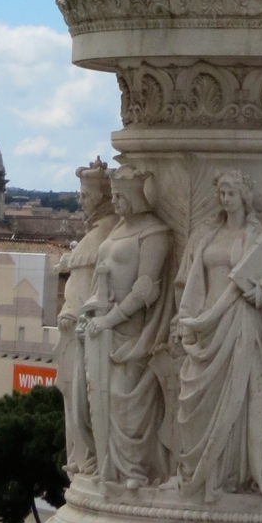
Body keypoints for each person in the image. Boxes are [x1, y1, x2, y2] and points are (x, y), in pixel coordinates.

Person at [171, 170, 262, 504]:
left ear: (245, 196)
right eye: (221, 193)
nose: (224, 199)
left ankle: (231, 475)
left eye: (230, 193)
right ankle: (202, 476)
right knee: (199, 403)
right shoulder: (205, 236)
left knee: (239, 402)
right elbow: (187, 281)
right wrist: (186, 320)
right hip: (205, 327)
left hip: (243, 325)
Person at [82, 164, 171, 489]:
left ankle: (135, 469)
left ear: (134, 196)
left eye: (120, 195)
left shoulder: (154, 233)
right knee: (99, 398)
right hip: (101, 325)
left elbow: (146, 289)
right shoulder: (117, 230)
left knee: (124, 398)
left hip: (131, 331)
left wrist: (111, 318)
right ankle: (109, 467)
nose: (114, 201)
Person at [56, 158, 116, 476]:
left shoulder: (108, 232)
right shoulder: (97, 232)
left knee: (84, 401)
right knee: (75, 399)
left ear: (104, 197)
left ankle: (90, 455)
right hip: (76, 329)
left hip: (89, 331)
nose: (80, 201)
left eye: (86, 195)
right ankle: (82, 455)